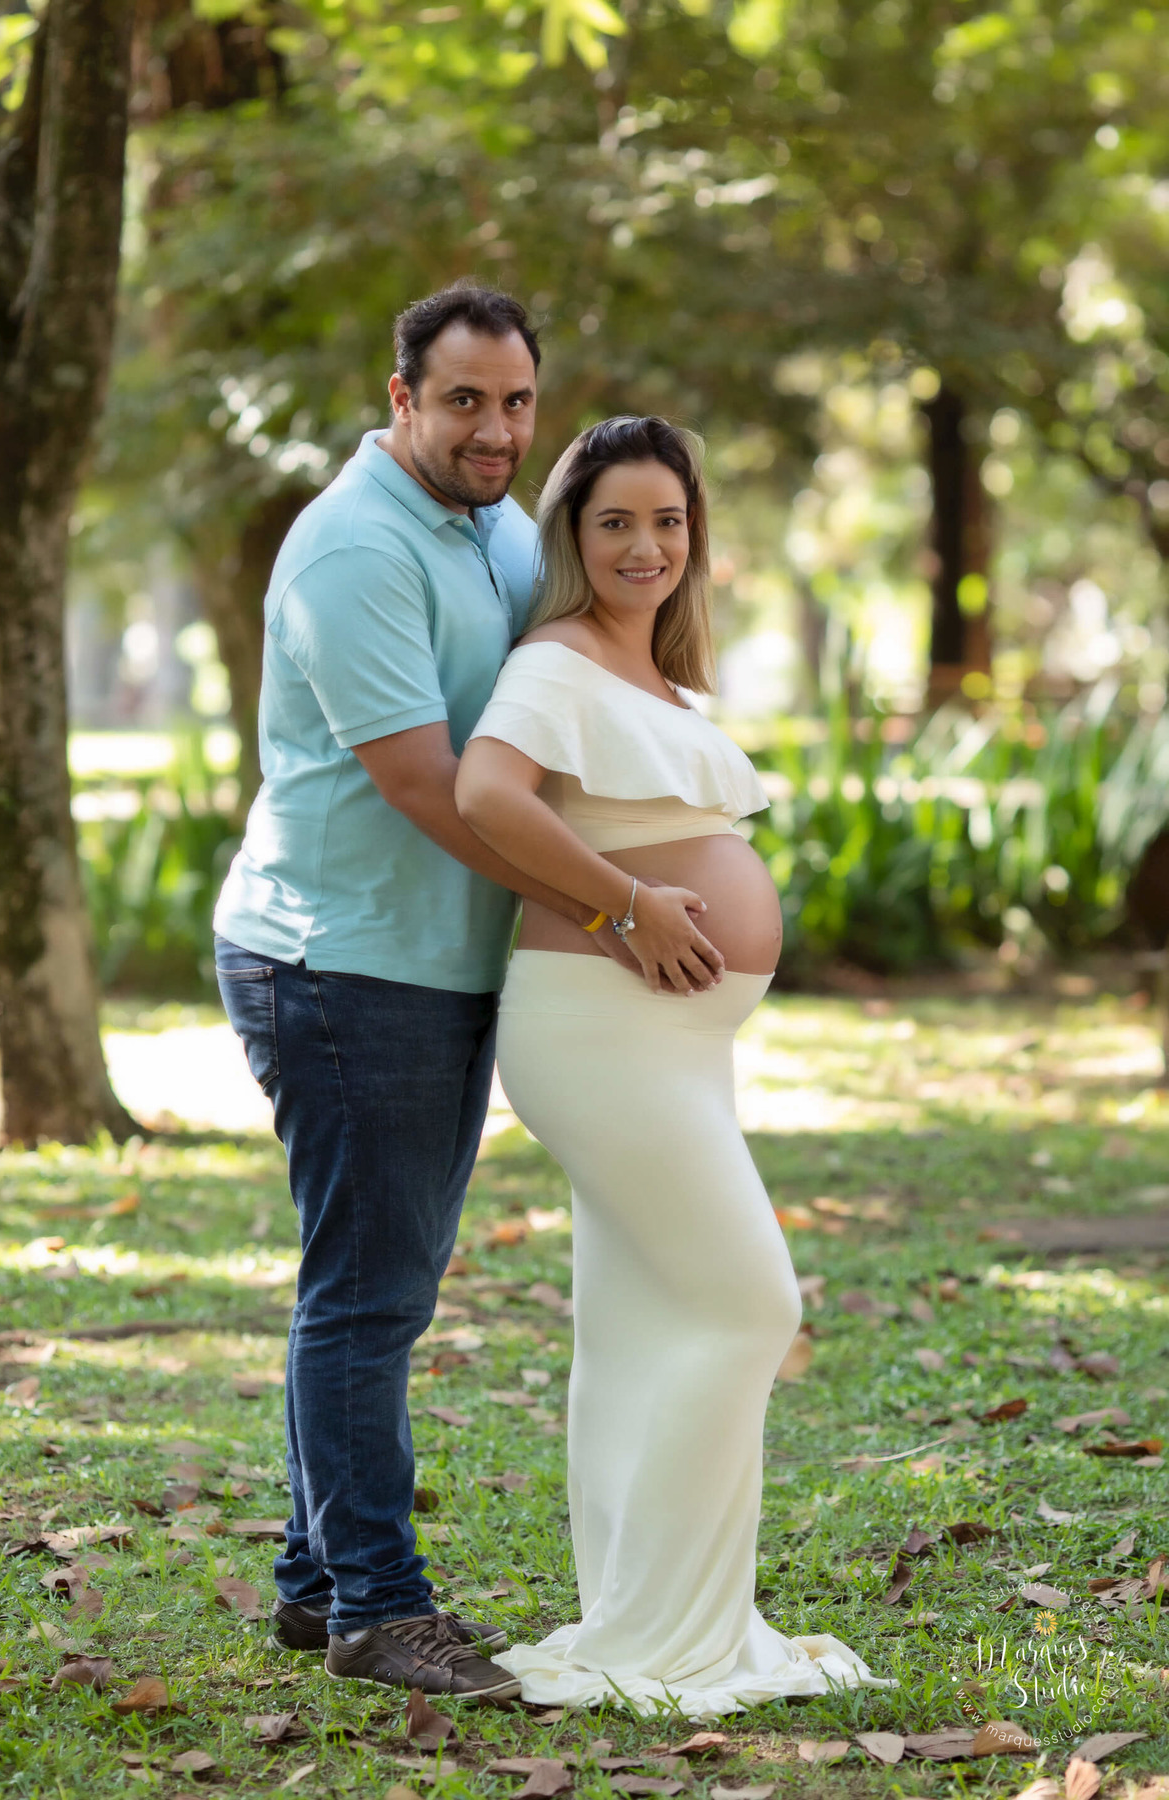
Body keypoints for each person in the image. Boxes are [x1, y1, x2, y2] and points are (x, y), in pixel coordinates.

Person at [212, 290, 723, 1698]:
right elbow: (433, 787)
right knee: (368, 1294)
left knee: (379, 1280)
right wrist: (614, 906)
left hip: (431, 962)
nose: (496, 431)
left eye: (515, 403)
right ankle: (380, 1605)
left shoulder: (501, 527)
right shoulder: (353, 550)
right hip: (339, 961)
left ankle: (317, 1584)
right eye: (463, 403)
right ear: (400, 396)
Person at [455, 415, 890, 1717]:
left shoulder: (656, 678)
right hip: (602, 1023)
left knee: (642, 1325)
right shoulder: (557, 661)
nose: (645, 546)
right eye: (615, 522)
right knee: (752, 1305)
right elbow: (487, 796)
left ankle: (650, 1611)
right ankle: (667, 1627)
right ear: (573, 537)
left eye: (668, 521)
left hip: (675, 1037)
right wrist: (623, 905)